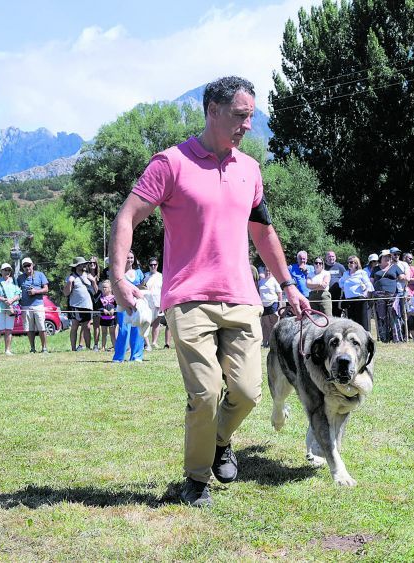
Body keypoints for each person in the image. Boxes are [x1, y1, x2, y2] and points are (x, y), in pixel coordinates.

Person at [107, 76, 309, 507]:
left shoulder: (249, 169)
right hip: (188, 297)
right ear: (212, 111)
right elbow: (126, 217)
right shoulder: (171, 163)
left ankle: (218, 440)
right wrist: (120, 276)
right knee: (204, 391)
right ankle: (196, 480)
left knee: (250, 391)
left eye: (250, 116)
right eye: (239, 116)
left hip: (241, 297)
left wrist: (288, 283)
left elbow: (263, 232)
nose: (246, 126)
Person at [112, 251, 146, 362]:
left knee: (137, 329)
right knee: (123, 330)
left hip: (137, 304)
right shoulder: (119, 273)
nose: (130, 260)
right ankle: (119, 357)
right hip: (123, 304)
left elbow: (143, 287)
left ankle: (136, 356)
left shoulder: (139, 273)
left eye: (131, 257)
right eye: (127, 257)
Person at [17, 257, 50, 354]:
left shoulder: (40, 275)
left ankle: (44, 348)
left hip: (38, 305)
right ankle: (32, 348)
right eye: (25, 266)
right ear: (23, 267)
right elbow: (16, 290)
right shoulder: (20, 278)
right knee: (29, 329)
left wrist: (36, 291)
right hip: (25, 306)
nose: (27, 267)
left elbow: (46, 289)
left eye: (29, 265)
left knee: (41, 327)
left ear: (33, 265)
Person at [371, 249, 406, 343]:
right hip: (379, 295)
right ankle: (384, 338)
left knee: (394, 316)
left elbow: (403, 276)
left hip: (392, 295)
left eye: (389, 257)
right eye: (385, 256)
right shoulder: (375, 269)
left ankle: (397, 338)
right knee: (381, 317)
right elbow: (371, 281)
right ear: (380, 258)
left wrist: (402, 277)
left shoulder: (395, 267)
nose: (387, 258)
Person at [64, 256, 96, 352]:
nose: (84, 265)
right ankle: (73, 348)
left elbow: (95, 292)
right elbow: (66, 293)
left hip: (88, 305)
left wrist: (94, 281)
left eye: (84, 264)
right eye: (82, 264)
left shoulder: (88, 276)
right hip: (75, 305)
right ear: (77, 266)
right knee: (74, 326)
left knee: (87, 327)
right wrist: (69, 282)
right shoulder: (71, 277)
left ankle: (88, 347)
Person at [0, 263, 20, 355]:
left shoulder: (14, 281)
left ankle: (7, 350)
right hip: (0, 308)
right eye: (5, 270)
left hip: (11, 308)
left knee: (9, 329)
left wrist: (11, 301)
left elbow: (18, 294)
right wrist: (3, 299)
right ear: (1, 271)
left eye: (9, 270)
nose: (7, 272)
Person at [340, 256, 373, 330]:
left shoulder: (362, 273)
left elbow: (368, 284)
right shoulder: (345, 274)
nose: (349, 264)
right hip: (349, 300)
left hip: (360, 299)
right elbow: (341, 282)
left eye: (351, 262)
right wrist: (344, 287)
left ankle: (366, 338)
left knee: (362, 320)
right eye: (348, 262)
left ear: (356, 263)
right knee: (352, 321)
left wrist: (365, 291)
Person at [143, 257, 167, 350]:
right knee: (146, 322)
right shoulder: (145, 276)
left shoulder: (161, 276)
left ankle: (154, 342)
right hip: (147, 303)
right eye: (151, 265)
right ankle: (145, 342)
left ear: (157, 265)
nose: (153, 266)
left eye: (155, 264)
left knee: (156, 323)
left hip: (158, 302)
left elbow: (164, 290)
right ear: (148, 265)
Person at [258, 266, 283, 347]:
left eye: (269, 271)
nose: (267, 272)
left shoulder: (274, 281)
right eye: (266, 270)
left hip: (273, 303)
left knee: (274, 325)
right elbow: (259, 292)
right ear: (264, 271)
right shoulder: (261, 281)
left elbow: (279, 293)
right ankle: (266, 342)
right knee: (266, 325)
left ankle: (275, 343)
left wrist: (280, 305)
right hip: (264, 305)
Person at [322, 250, 346, 318]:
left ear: (335, 257)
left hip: (337, 295)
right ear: (326, 258)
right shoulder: (322, 267)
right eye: (329, 256)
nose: (331, 258)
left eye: (332, 256)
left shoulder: (340, 267)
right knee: (327, 314)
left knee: (337, 314)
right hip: (325, 295)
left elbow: (346, 278)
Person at [98, 280, 117, 351]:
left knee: (112, 333)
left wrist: (113, 309)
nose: (104, 289)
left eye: (105, 287)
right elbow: (98, 307)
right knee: (104, 333)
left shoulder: (114, 297)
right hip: (103, 318)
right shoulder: (100, 298)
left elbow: (117, 306)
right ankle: (103, 347)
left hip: (112, 318)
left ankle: (115, 347)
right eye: (102, 287)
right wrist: (103, 310)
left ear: (110, 288)